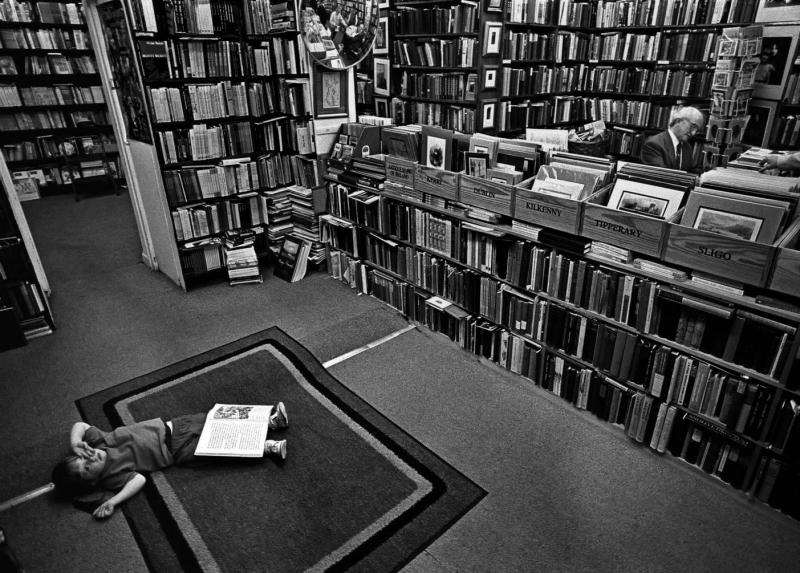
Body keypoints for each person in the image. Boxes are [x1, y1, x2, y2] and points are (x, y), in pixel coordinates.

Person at [51, 402, 289, 520]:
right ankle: (267, 447)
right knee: (220, 446)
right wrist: (115, 501)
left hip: (174, 426)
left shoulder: (97, 442)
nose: (90, 458)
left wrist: (75, 444)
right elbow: (139, 480)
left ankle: (270, 422)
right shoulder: (112, 477)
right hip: (177, 452)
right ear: (93, 481)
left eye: (82, 458)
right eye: (88, 468)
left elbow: (79, 425)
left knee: (219, 417)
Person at [640, 106, 705, 174]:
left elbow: (689, 171)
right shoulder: (653, 145)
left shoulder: (687, 147)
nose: (693, 133)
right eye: (693, 127)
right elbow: (661, 175)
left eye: (697, 130)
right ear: (678, 121)